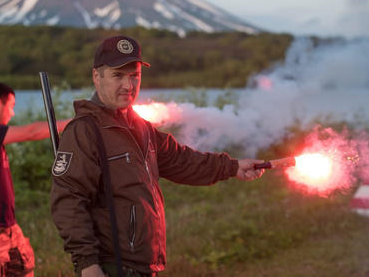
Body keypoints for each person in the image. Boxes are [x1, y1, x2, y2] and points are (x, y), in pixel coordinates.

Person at [51, 36, 265, 277]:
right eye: (118, 76)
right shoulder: (85, 131)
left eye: (134, 76)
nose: (128, 85)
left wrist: (233, 167)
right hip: (112, 267)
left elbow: (183, 161)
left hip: (144, 267)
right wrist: (87, 264)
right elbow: (68, 199)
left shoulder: (142, 128)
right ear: (96, 77)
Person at [0, 82, 70, 276]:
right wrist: (74, 122)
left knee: (24, 266)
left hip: (5, 224)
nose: (13, 114)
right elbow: (31, 132)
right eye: (11, 107)